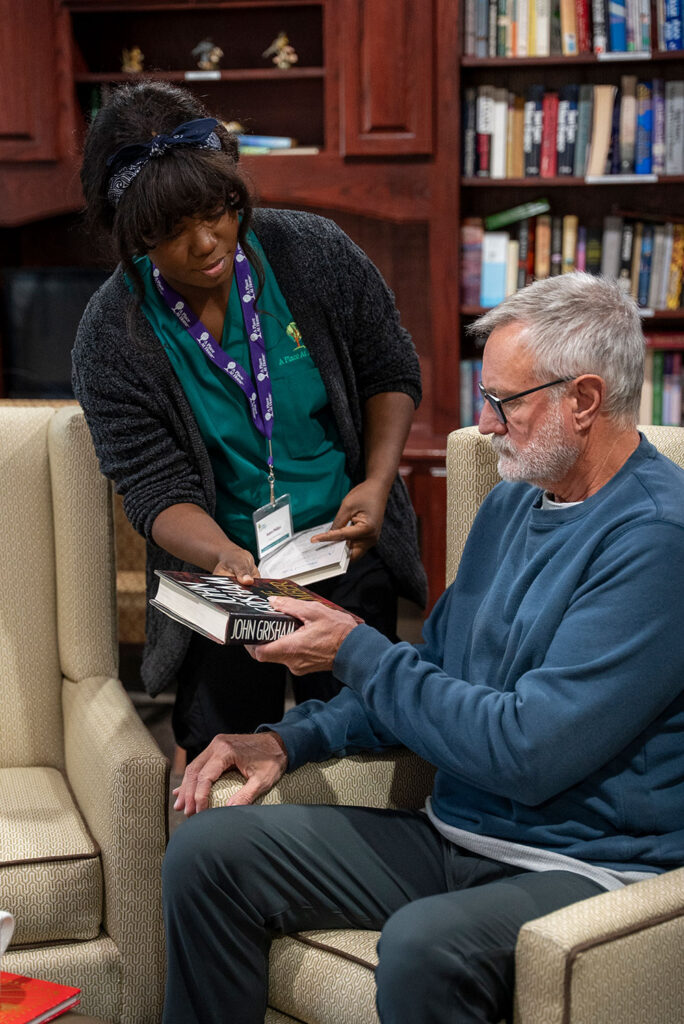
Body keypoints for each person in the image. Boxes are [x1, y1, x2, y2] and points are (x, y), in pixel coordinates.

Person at [162, 272, 684, 1024]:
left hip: (586, 865)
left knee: (424, 944)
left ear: (585, 399)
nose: (486, 422)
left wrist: (356, 651)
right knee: (207, 855)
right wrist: (287, 737)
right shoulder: (512, 502)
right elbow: (433, 674)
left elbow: (527, 754)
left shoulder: (657, 541)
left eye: (505, 400)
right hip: (455, 835)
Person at [72, 80, 426, 760]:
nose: (207, 243)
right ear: (133, 237)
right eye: (172, 234)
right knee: (225, 758)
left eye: (218, 211)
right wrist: (227, 561)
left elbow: (390, 369)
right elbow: (152, 489)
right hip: (226, 586)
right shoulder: (111, 335)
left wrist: (377, 484)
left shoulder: (313, 252)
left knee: (355, 752)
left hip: (343, 551)